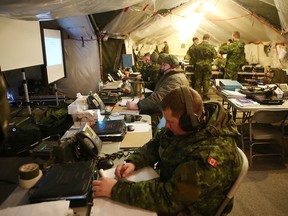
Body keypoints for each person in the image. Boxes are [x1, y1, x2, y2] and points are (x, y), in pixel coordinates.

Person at [92, 86, 242, 216]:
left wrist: (115, 190)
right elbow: (158, 142)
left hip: (187, 208)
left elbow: (170, 199)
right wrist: (134, 162)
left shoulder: (211, 155)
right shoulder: (187, 127)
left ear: (189, 121)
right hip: (172, 187)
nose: (167, 126)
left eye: (170, 122)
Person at [126, 54, 189, 132]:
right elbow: (157, 86)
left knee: (143, 123)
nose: (161, 67)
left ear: (173, 66)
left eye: (164, 65)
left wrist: (137, 105)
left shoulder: (175, 79)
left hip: (168, 114)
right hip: (166, 110)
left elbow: (159, 98)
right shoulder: (171, 76)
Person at [194, 34, 217, 101]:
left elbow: (194, 57)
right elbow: (215, 56)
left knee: (198, 80)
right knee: (206, 80)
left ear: (202, 38)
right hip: (207, 66)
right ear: (208, 39)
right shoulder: (211, 47)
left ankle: (197, 96)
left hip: (198, 66)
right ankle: (205, 96)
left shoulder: (197, 47)